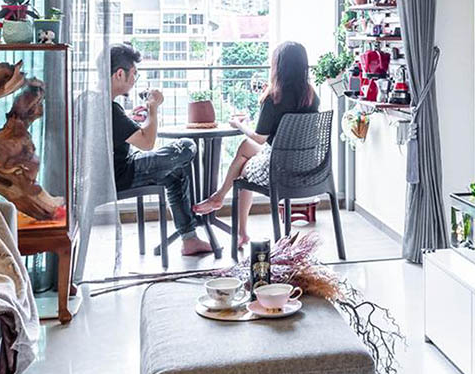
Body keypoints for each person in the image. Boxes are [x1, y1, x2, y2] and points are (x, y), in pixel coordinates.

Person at [193, 41, 319, 247]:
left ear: (278, 66)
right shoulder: (311, 95)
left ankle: (235, 222)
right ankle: (219, 198)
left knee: (242, 168)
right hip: (307, 166)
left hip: (278, 168)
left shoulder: (274, 97)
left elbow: (260, 138)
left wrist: (238, 124)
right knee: (245, 147)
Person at [108, 43, 212, 256]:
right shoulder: (111, 109)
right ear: (119, 74)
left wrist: (135, 120)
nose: (134, 80)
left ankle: (190, 239)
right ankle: (191, 234)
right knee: (186, 146)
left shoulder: (93, 102)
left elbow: (125, 135)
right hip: (120, 176)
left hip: (110, 172)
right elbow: (147, 143)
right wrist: (153, 108)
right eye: (133, 74)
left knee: (177, 173)